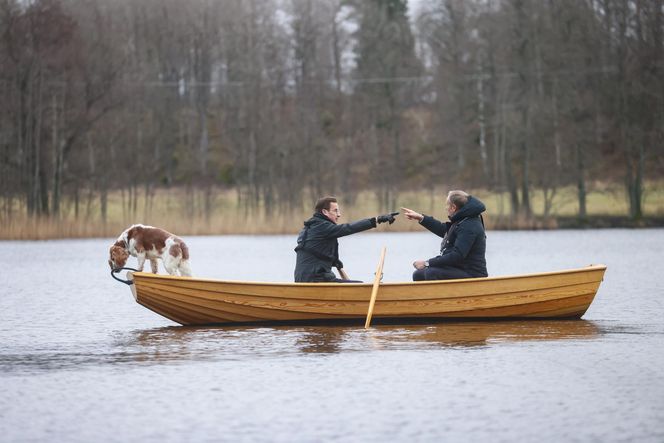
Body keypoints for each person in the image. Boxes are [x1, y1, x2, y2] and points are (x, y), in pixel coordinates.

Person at [294, 196, 398, 282]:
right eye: (335, 211)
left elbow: (316, 252)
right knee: (360, 286)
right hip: (316, 280)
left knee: (355, 286)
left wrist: (335, 261)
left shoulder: (308, 228)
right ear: (325, 212)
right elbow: (348, 228)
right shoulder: (323, 227)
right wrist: (377, 220)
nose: (339, 214)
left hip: (302, 280)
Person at [402, 190, 487, 281]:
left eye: (447, 205)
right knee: (418, 274)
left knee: (431, 273)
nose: (446, 208)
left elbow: (457, 255)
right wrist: (420, 218)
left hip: (472, 274)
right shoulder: (463, 220)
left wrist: (427, 263)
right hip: (458, 268)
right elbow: (444, 231)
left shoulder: (469, 225)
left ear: (453, 207)